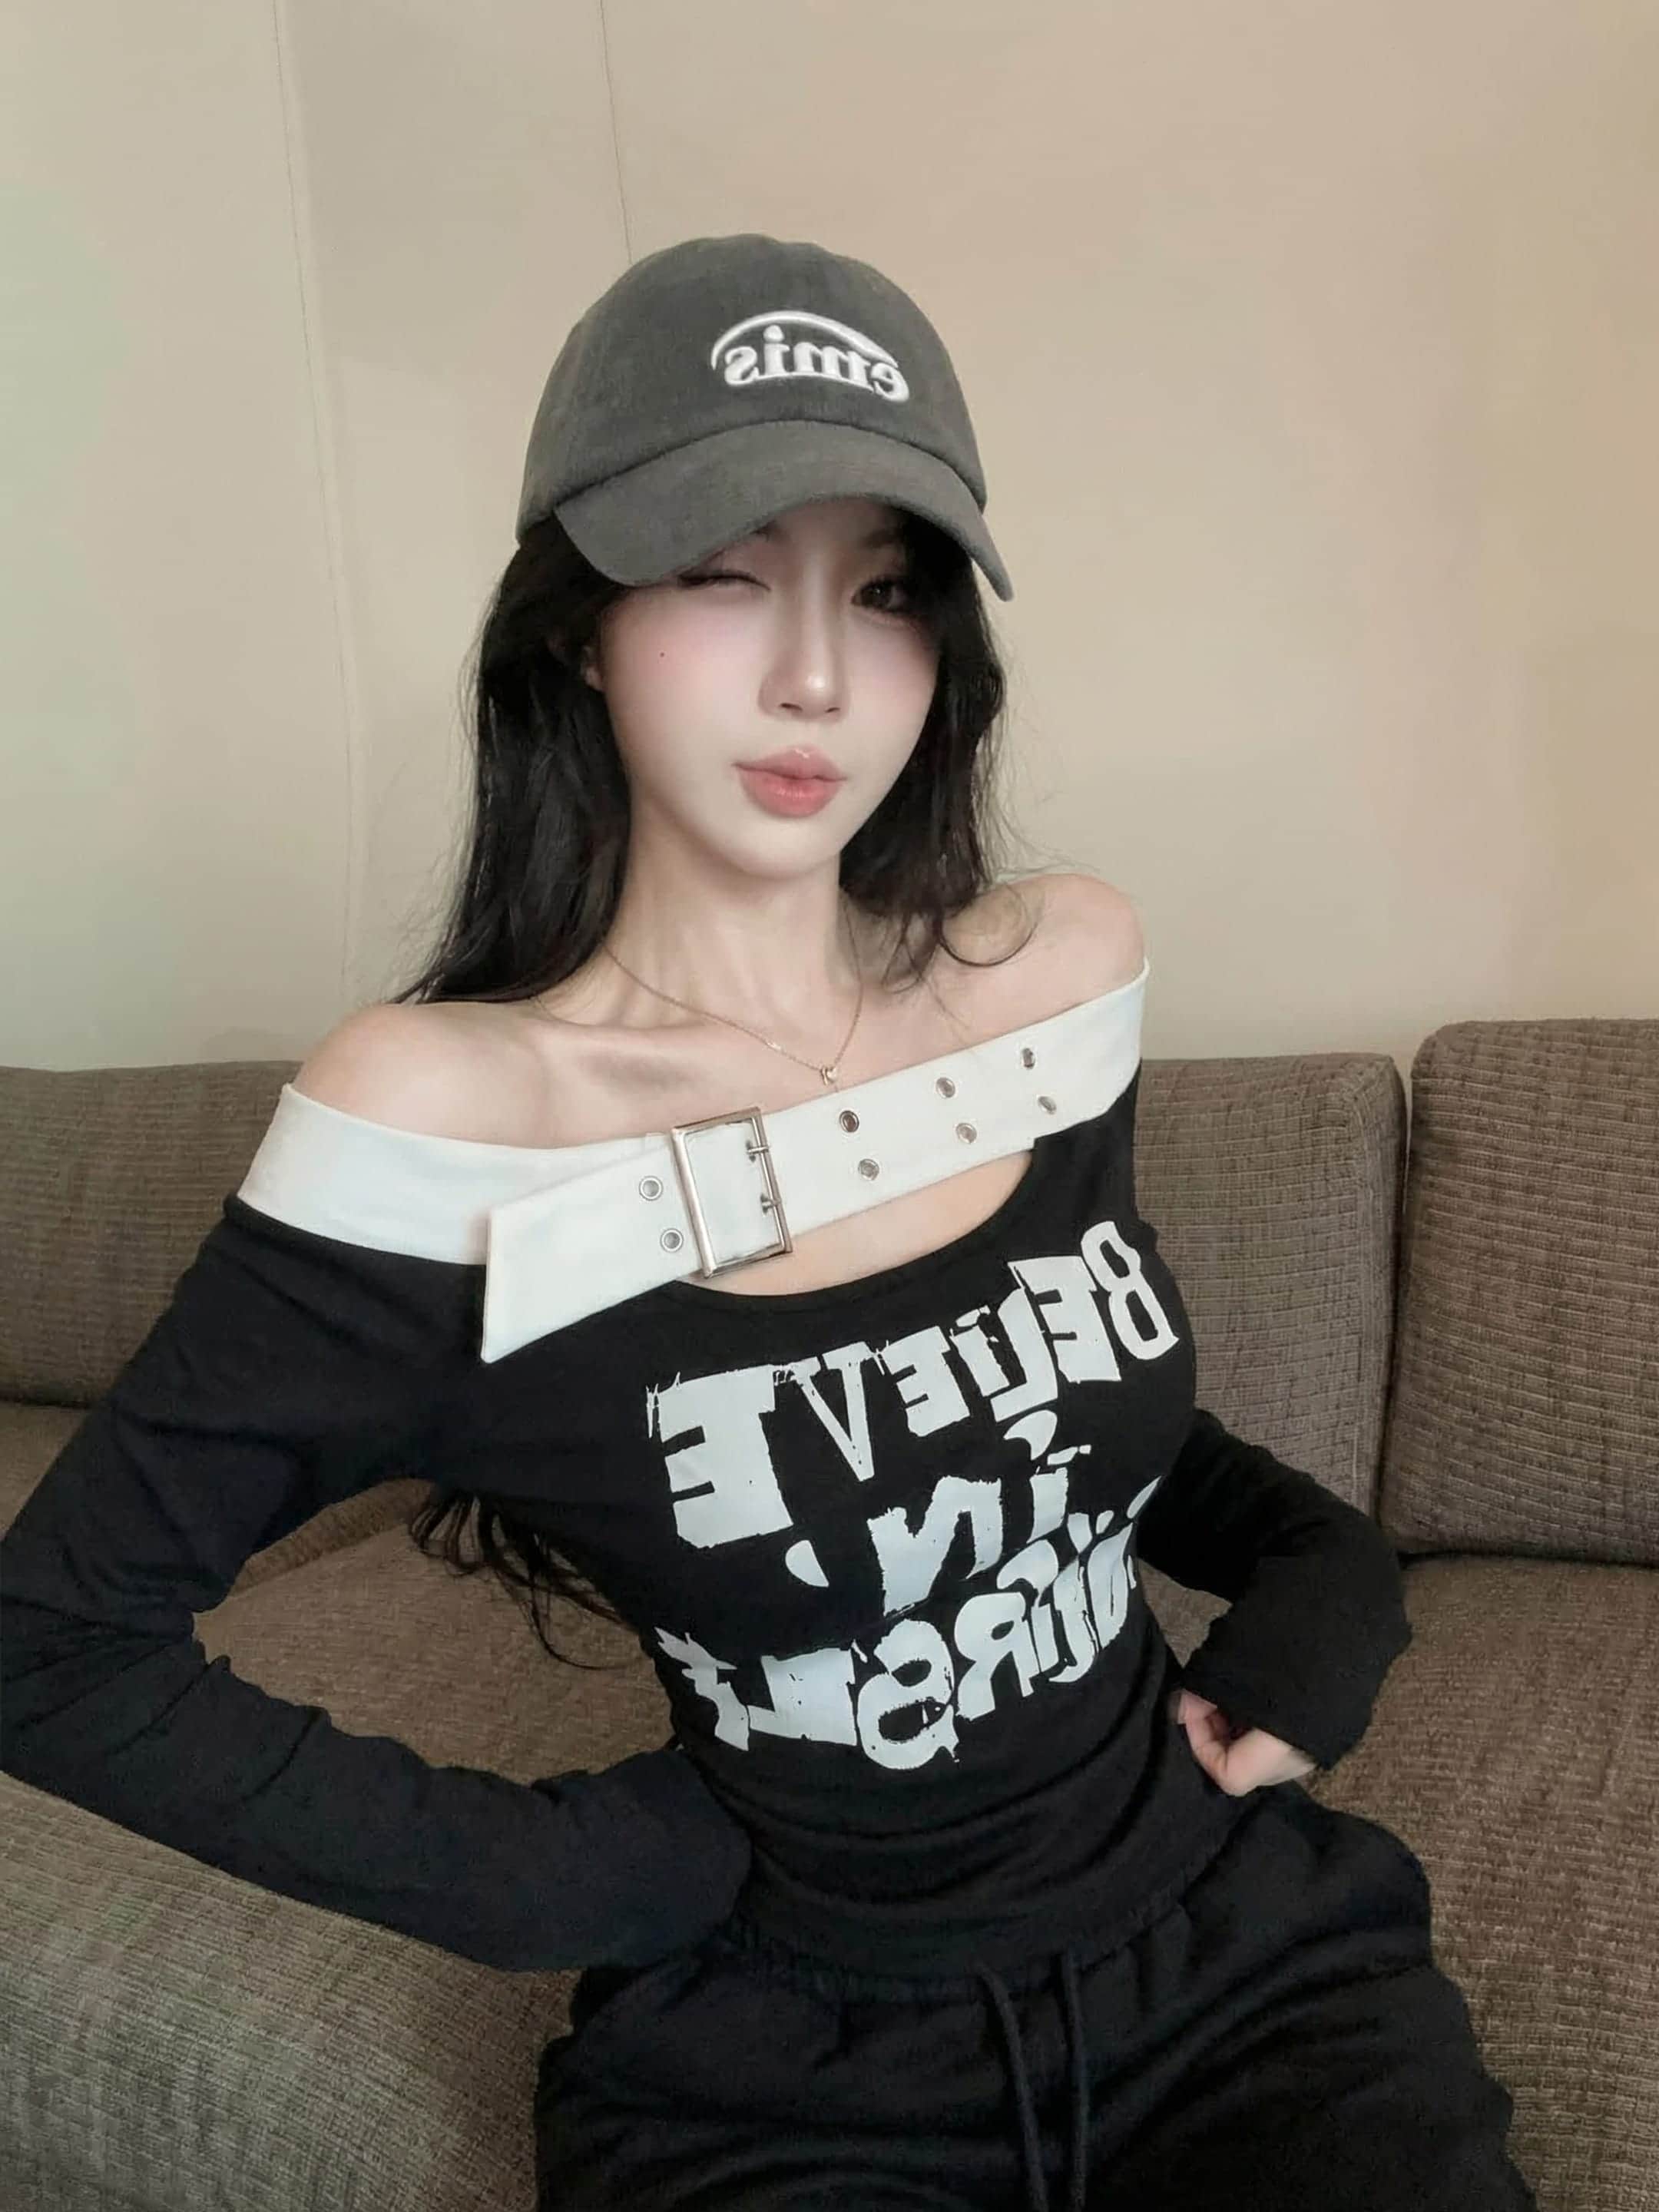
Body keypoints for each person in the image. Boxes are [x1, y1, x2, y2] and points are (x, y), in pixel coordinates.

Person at [0, 233, 1535, 2211]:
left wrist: (1331, 1578)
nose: (817, 674)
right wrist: (544, 1878)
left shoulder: (1053, 985)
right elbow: (51, 1642)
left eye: (885, 592)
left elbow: (1035, 1411)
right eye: (724, 572)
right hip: (790, 2068)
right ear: (577, 624)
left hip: (1243, 1971)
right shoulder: (443, 1125)